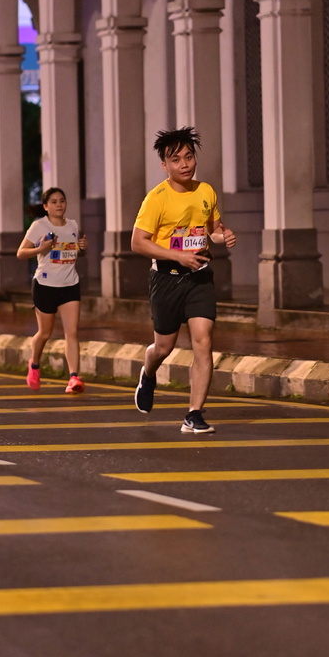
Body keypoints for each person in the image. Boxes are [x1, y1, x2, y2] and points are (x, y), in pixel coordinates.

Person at [131, 126, 237, 434]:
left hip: (199, 278)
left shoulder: (206, 192)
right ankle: (148, 373)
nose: (184, 164)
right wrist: (177, 256)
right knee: (163, 347)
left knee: (203, 341)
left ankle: (194, 414)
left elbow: (213, 229)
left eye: (188, 157)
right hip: (166, 279)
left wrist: (224, 235)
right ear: (164, 165)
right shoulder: (156, 199)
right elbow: (137, 243)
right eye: (176, 160)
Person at [16, 186, 88, 394]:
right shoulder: (39, 226)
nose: (59, 205)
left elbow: (73, 251)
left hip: (70, 284)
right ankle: (34, 364)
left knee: (72, 333)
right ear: (46, 206)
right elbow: (21, 253)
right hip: (45, 286)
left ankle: (73, 377)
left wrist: (82, 247)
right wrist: (41, 249)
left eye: (62, 201)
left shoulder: (73, 225)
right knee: (45, 333)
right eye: (54, 202)